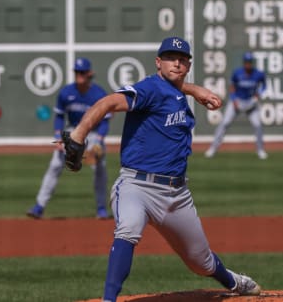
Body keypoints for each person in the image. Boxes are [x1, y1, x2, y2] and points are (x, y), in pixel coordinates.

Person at [66, 37, 261, 301]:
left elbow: (174, 87)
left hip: (176, 195)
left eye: (182, 60)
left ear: (188, 65)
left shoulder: (177, 92)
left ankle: (234, 281)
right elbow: (108, 103)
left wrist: (194, 90)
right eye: (170, 58)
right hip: (137, 186)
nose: (176, 64)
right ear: (158, 62)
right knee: (128, 230)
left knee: (201, 262)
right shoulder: (148, 89)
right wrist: (79, 134)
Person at [26, 57, 111, 220]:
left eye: (82, 72)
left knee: (100, 167)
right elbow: (59, 116)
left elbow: (105, 122)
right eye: (76, 72)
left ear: (89, 74)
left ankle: (101, 208)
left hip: (93, 134)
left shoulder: (98, 94)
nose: (78, 75)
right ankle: (39, 206)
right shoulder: (66, 92)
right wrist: (58, 136)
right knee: (56, 163)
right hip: (74, 131)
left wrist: (99, 140)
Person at [205, 51, 268, 159]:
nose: (248, 64)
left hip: (251, 103)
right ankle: (212, 149)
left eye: (250, 62)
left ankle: (260, 150)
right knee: (224, 123)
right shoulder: (237, 73)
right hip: (237, 101)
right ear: (244, 63)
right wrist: (234, 99)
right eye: (246, 62)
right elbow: (232, 86)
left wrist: (259, 94)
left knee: (257, 125)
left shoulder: (258, 74)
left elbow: (264, 86)